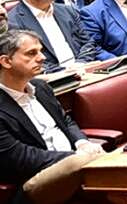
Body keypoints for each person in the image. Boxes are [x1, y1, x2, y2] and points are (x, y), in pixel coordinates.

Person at [0, 29, 105, 199]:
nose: (42, 57)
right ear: (6, 61)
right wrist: (76, 156)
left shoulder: (41, 87)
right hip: (34, 178)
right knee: (87, 163)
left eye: (40, 51)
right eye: (31, 53)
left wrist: (82, 143)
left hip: (75, 160)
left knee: (117, 166)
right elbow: (19, 157)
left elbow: (66, 121)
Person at [7, 0, 98, 70]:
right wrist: (67, 72)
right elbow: (27, 60)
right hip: (52, 76)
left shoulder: (68, 10)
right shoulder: (13, 21)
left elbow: (88, 43)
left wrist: (81, 63)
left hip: (83, 68)